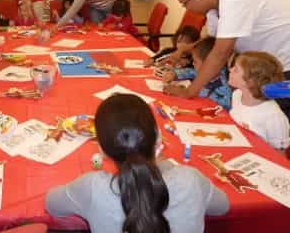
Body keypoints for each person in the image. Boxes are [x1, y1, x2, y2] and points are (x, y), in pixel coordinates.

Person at [46, 94, 229, 233]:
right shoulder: (190, 179)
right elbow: (222, 207)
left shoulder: (93, 186)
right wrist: (167, 167)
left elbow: (52, 204)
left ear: (101, 148)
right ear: (158, 137)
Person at [164, 0, 290, 118]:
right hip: (266, 64)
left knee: (272, 117)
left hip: (284, 66)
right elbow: (213, 43)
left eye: (184, 4)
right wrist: (186, 50)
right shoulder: (215, 6)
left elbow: (220, 54)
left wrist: (189, 91)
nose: (186, 9)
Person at [228, 51, 290, 150]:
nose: (230, 70)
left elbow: (280, 153)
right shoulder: (237, 95)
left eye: (236, 70)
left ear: (251, 81)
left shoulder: (273, 116)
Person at [163, 37, 232, 110]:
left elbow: (223, 110)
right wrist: (175, 74)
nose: (193, 64)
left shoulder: (223, 88)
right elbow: (191, 72)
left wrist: (185, 91)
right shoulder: (205, 72)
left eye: (195, 62)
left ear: (208, 64)